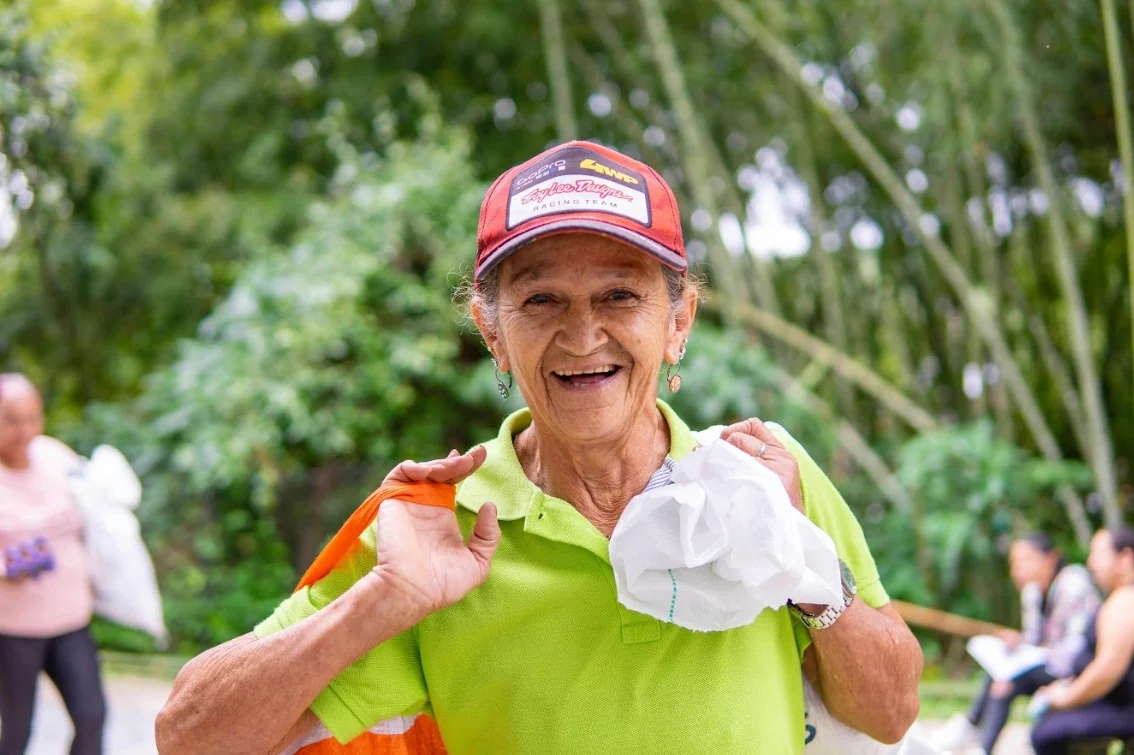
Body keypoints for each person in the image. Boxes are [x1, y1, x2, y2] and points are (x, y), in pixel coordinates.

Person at [155, 140, 923, 755]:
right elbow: (186, 736)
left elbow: (891, 713)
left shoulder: (763, 475)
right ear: (493, 329)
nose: (583, 333)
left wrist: (805, 562)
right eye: (541, 299)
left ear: (679, 319)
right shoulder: (440, 525)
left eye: (621, 294)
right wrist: (380, 602)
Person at [0, 373, 106, 755]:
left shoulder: (54, 455)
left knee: (92, 716)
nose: (25, 429)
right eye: (11, 420)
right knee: (15, 733)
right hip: (13, 632)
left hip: (72, 622)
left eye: (33, 417)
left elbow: (95, 512)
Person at [937, 532, 1100, 754]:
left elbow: (1076, 649)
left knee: (1006, 678)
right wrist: (1018, 642)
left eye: (1026, 559)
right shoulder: (1032, 592)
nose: (1017, 569)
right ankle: (975, 732)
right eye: (1014, 563)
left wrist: (1025, 661)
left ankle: (975, 731)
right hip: (1046, 663)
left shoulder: (1073, 583)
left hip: (1076, 669)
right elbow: (1034, 641)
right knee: (1000, 671)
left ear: (1051, 558)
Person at [1030, 527, 1134, 755]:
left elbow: (1109, 669)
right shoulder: (1119, 598)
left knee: (1048, 732)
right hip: (1112, 703)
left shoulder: (1126, 601)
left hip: (1124, 710)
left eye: (1098, 554)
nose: (1090, 563)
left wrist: (1067, 698)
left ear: (1125, 558)